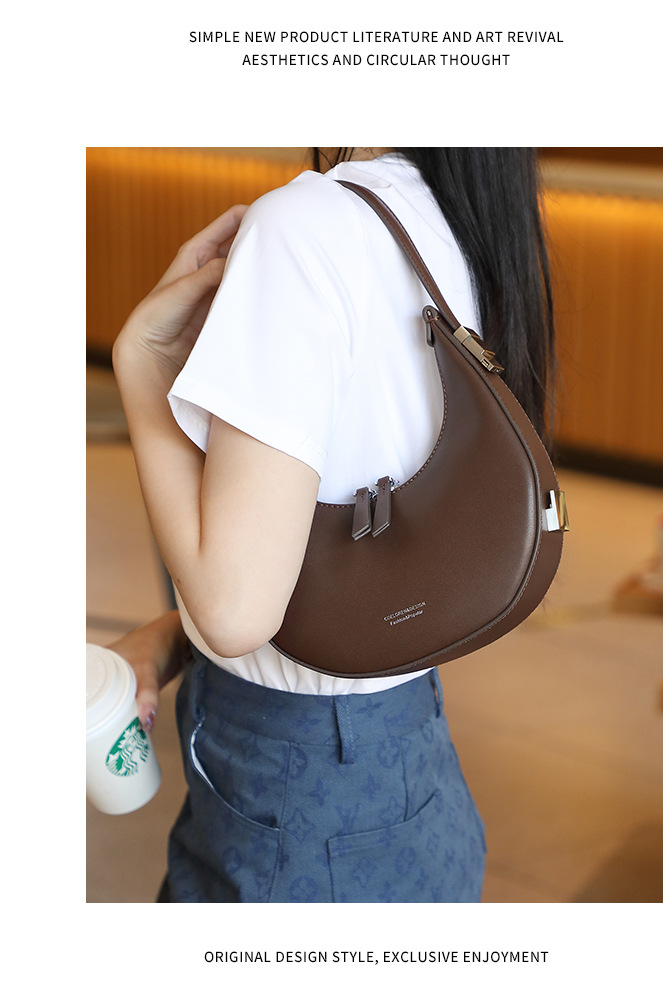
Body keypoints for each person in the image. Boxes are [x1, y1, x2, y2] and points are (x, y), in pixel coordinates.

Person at [110, 147, 555, 902]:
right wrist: (167, 637)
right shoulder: (452, 214)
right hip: (412, 765)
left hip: (293, 806)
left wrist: (142, 362)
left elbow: (235, 611)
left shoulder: (303, 226)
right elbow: (349, 572)